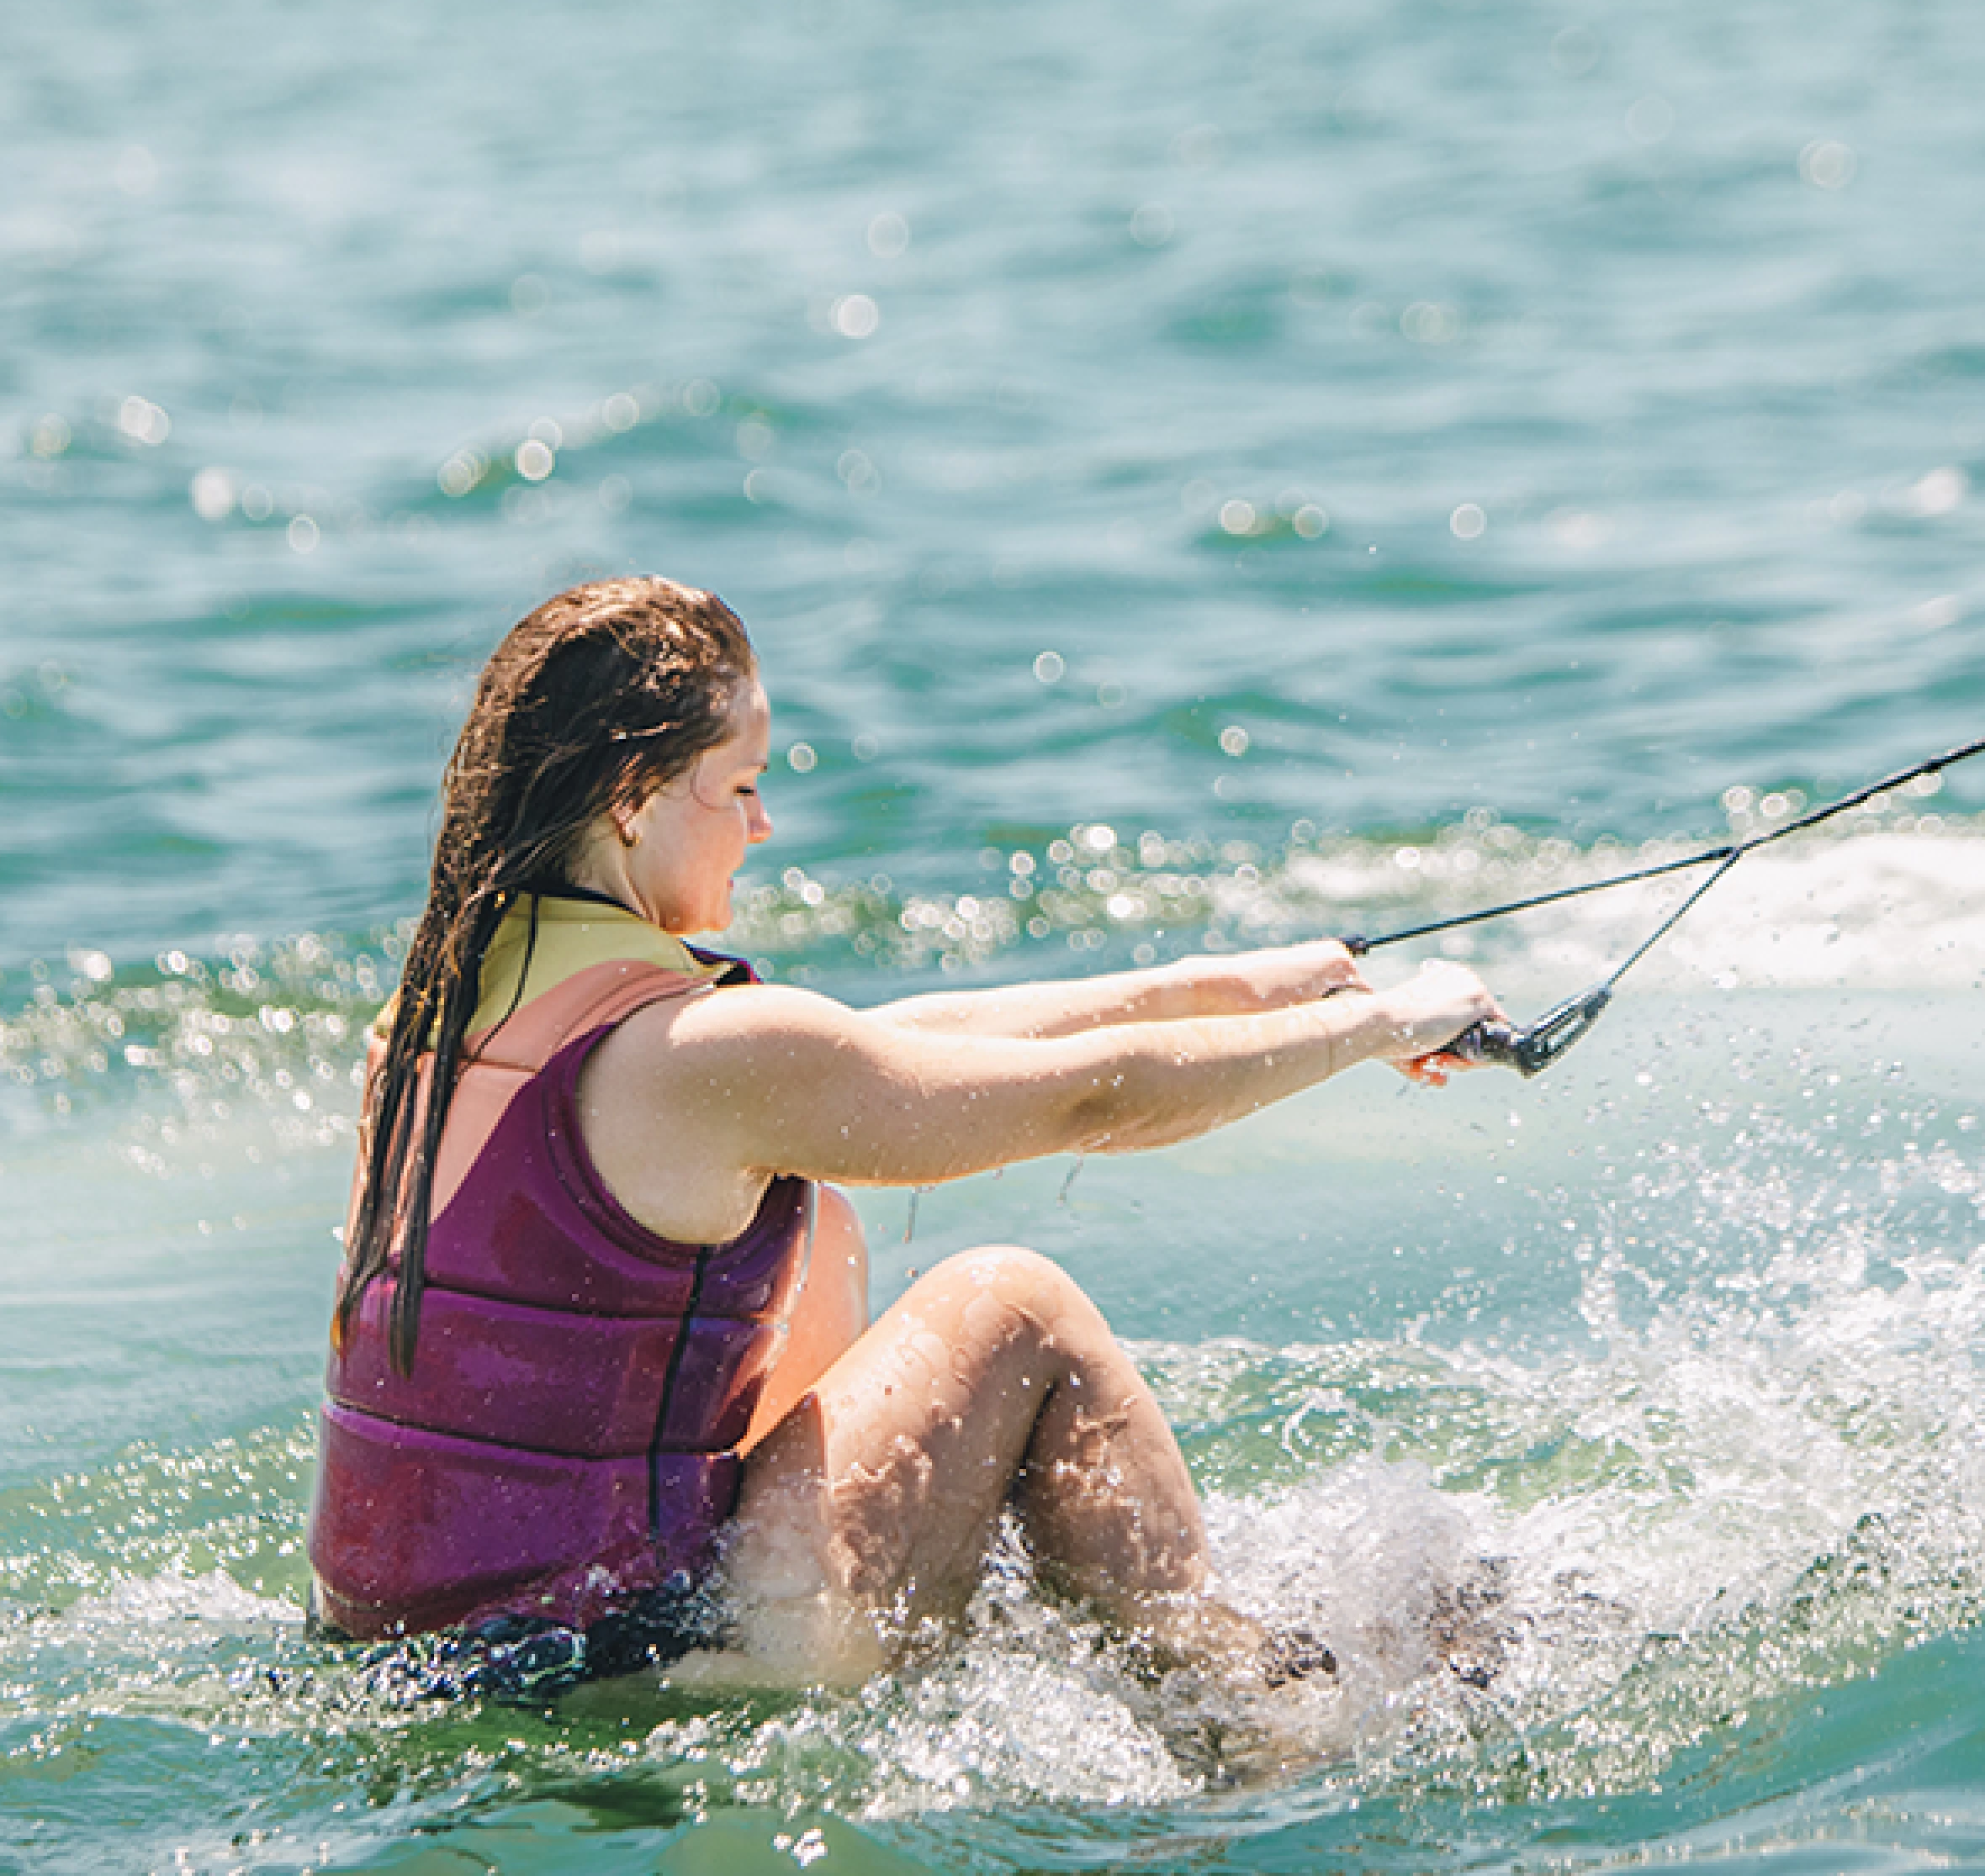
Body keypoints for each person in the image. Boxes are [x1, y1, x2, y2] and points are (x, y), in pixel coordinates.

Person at [309, 576, 1502, 1703]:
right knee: (1010, 1301)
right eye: (737, 787)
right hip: (640, 1667)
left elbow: (894, 1046)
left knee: (811, 1218)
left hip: (411, 1657)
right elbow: (1090, 1099)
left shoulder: (430, 1029)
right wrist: (1381, 1028)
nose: (763, 824)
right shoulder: (708, 1061)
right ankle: (1248, 1719)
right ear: (632, 801)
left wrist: (1231, 987)